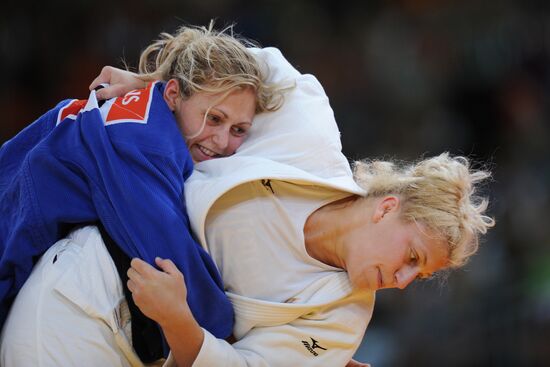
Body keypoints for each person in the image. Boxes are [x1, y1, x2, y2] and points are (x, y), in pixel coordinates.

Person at [0, 24, 284, 365]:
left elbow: (297, 88)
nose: (223, 141)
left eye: (238, 130)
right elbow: (169, 258)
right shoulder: (148, 145)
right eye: (214, 119)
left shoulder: (149, 111)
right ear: (174, 94)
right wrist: (260, 340)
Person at [129, 151, 494, 367]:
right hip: (107, 235)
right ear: (386, 208)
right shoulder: (311, 139)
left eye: (420, 275)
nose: (402, 281)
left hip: (132, 342)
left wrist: (177, 319)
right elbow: (224, 69)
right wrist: (154, 84)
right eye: (412, 257)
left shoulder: (342, 322)